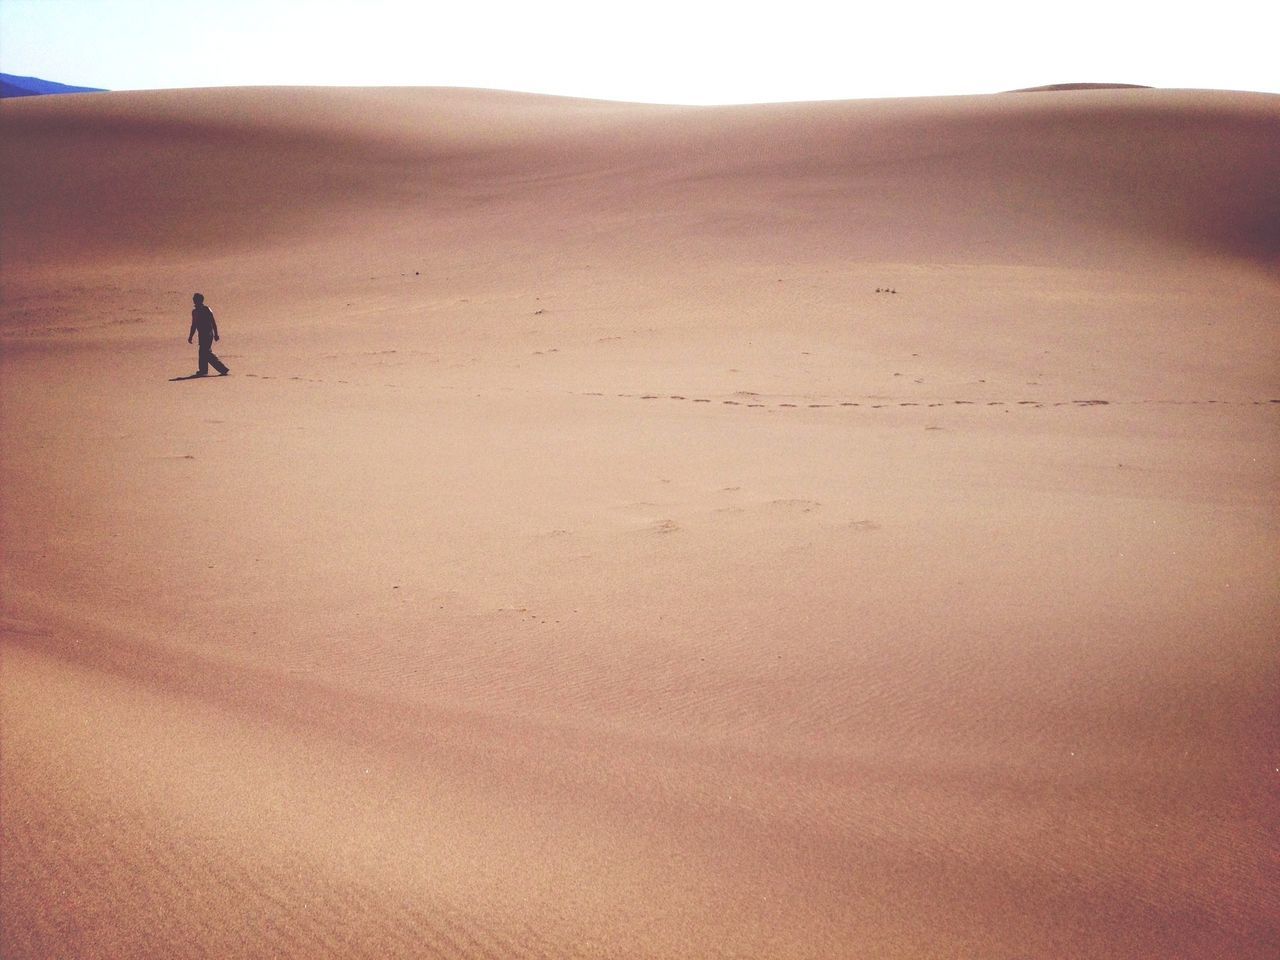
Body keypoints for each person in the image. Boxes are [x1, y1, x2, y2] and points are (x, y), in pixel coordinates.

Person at [188, 293, 229, 376]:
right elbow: (194, 325)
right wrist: (190, 336)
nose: (193, 300)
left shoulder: (206, 309)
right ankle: (204, 370)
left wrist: (216, 334)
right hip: (201, 335)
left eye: (195, 298)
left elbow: (213, 322)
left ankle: (222, 369)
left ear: (199, 300)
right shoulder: (194, 311)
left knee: (205, 352)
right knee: (203, 352)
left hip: (208, 334)